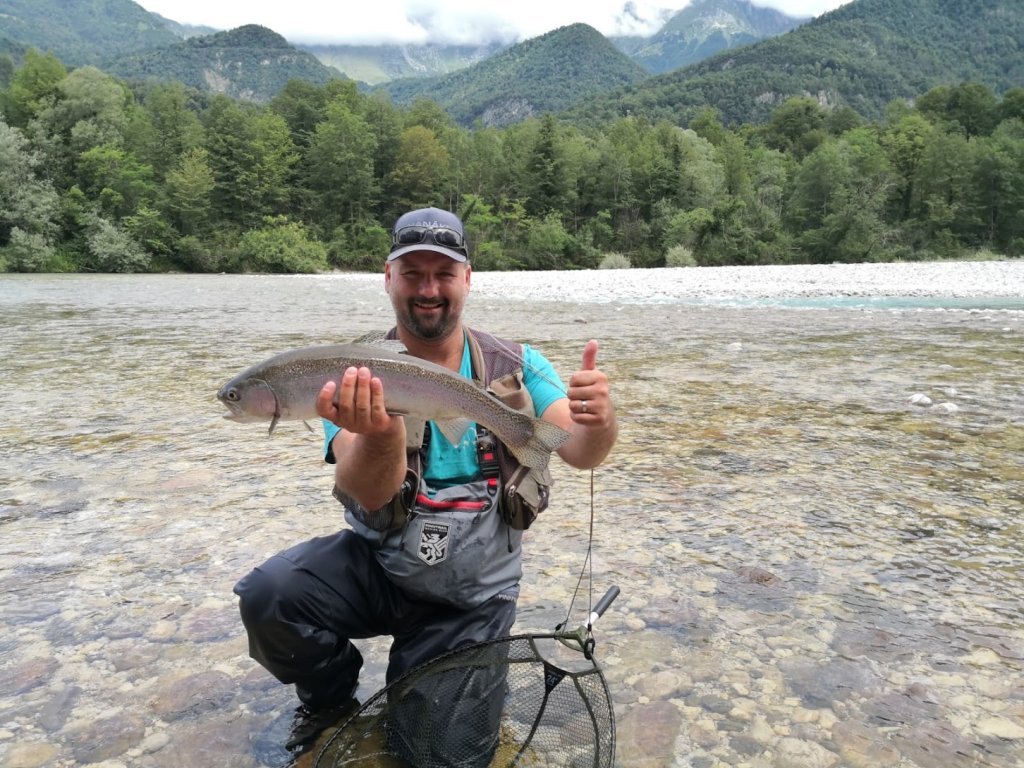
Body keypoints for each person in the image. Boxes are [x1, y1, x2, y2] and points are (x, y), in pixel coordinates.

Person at [233, 207, 617, 759]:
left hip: (472, 598)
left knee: (438, 757)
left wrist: (599, 420)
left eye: (443, 274)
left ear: (467, 279)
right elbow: (367, 493)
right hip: (383, 570)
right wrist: (382, 432)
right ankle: (332, 702)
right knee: (271, 596)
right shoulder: (351, 370)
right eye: (413, 274)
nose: (428, 289)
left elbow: (579, 452)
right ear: (388, 278)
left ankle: (438, 680)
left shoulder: (517, 364)